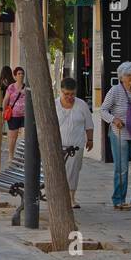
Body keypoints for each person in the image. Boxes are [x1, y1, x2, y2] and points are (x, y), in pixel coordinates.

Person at [100, 60, 131, 211]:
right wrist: (113, 119)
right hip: (119, 133)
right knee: (121, 169)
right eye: (128, 76)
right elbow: (103, 110)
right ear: (121, 77)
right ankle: (119, 200)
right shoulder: (115, 91)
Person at [56, 77, 94, 209]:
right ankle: (59, 197)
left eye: (72, 94)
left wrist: (90, 139)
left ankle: (71, 198)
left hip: (75, 146)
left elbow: (89, 124)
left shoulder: (82, 105)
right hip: (57, 146)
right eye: (66, 94)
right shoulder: (54, 104)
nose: (69, 97)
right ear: (61, 91)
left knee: (73, 171)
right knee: (59, 172)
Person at [3, 66, 27, 159]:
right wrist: (3, 110)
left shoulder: (26, 87)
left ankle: (23, 155)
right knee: (13, 137)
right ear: (15, 76)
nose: (21, 75)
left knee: (25, 134)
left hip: (25, 115)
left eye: (22, 74)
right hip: (13, 115)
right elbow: (6, 99)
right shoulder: (11, 87)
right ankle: (11, 155)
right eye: (19, 74)